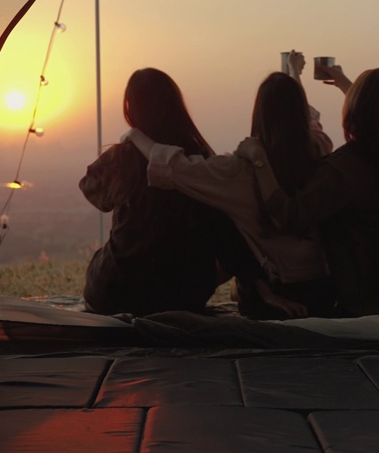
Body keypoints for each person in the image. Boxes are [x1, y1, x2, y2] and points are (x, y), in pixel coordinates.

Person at [237, 66, 379, 320]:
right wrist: (347, 85)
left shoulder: (341, 171)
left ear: (355, 111)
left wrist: (258, 159)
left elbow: (287, 217)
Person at [122, 58, 333, 319]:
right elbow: (310, 125)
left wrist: (134, 135)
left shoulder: (237, 172)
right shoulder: (321, 153)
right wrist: (292, 78)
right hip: (323, 292)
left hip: (272, 299)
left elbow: (172, 167)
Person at [80, 68, 263, 316]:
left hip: (113, 291)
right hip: (179, 294)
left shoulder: (123, 156)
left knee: (108, 252)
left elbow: (92, 190)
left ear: (130, 108)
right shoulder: (199, 159)